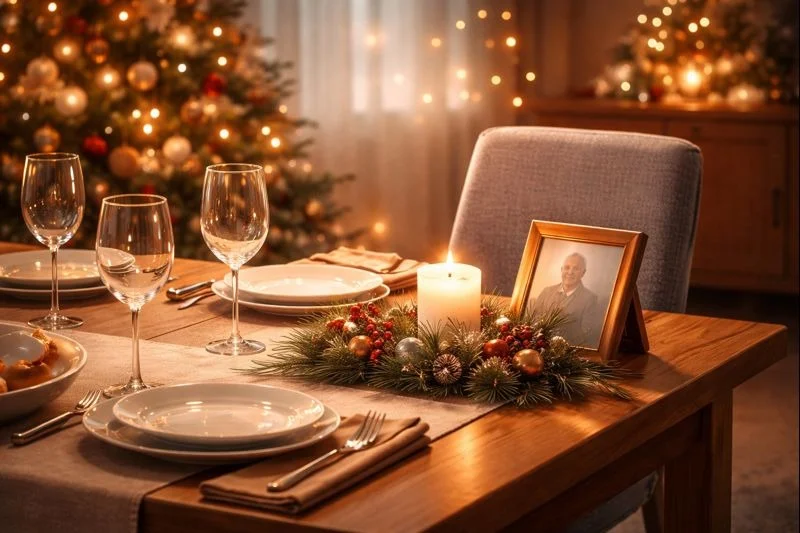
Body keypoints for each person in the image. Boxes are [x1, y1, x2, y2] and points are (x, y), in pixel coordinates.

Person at [531, 252, 602, 348]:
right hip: (539, 346)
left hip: (566, 350)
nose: (570, 272)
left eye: (576, 268)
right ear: (561, 269)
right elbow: (533, 319)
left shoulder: (590, 299)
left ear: (583, 273)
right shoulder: (547, 291)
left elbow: (586, 333)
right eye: (567, 267)